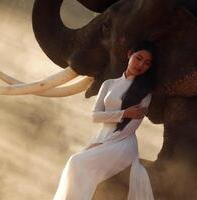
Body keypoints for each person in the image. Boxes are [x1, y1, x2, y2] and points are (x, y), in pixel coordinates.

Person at [53, 40, 156, 200]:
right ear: (130, 54)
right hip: (103, 137)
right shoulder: (108, 84)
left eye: (147, 63)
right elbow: (95, 116)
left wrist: (105, 142)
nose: (141, 65)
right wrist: (124, 113)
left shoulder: (145, 93)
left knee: (77, 162)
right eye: (138, 58)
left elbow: (132, 127)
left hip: (123, 143)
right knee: (75, 163)